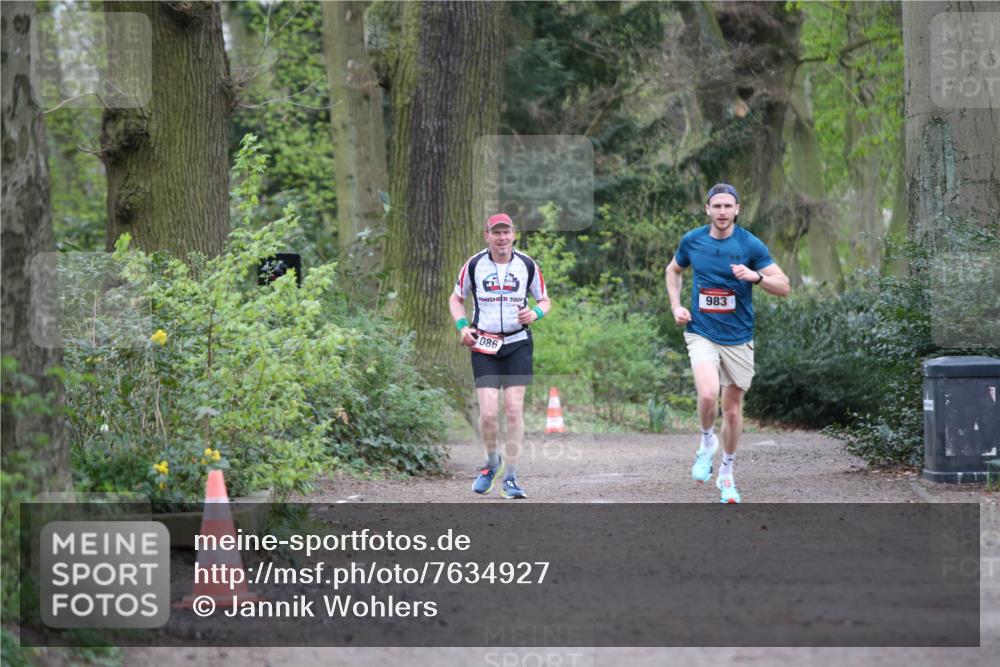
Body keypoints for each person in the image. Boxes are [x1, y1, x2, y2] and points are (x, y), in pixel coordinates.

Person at [665, 183, 790, 503]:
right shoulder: (692, 241)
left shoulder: (750, 244)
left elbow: (784, 286)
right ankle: (707, 442)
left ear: (737, 210)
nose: (722, 212)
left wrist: (756, 277)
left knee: (732, 411)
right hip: (701, 332)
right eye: (717, 206)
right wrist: (676, 306)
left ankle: (727, 472)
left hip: (738, 338)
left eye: (727, 206)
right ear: (707, 209)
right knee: (708, 395)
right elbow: (673, 270)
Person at [449, 213, 551, 499]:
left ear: (514, 235)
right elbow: (456, 298)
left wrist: (535, 313)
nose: (502, 238)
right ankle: (492, 463)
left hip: (518, 343)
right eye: (496, 232)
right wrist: (462, 327)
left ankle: (511, 478)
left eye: (506, 232)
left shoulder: (527, 265)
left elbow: (545, 300)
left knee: (514, 410)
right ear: (487, 236)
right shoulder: (473, 265)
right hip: (485, 345)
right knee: (489, 414)